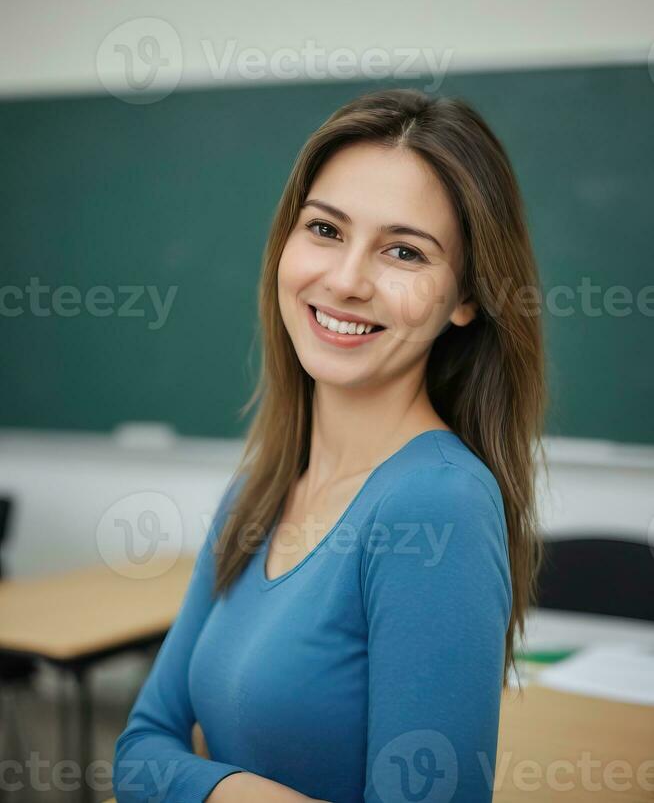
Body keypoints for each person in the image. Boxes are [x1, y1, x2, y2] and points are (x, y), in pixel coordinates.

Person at [113, 88, 546, 802]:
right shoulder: (260, 488)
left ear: (466, 297)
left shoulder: (437, 504)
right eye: (325, 230)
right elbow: (139, 750)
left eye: (404, 251)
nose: (346, 281)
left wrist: (195, 785)